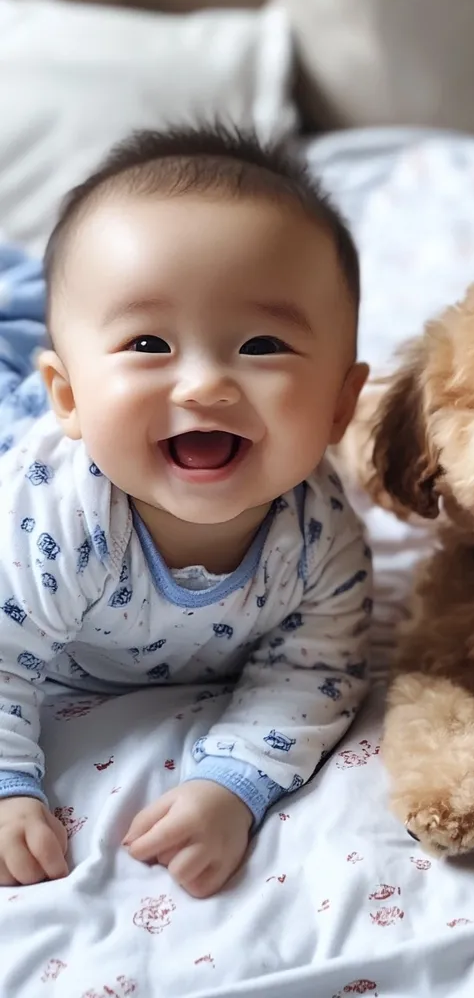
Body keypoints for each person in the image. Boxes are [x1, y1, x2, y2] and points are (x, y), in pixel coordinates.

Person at [0, 124, 372, 898]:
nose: (203, 385)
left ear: (341, 406)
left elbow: (314, 672)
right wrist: (7, 788)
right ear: (68, 396)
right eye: (148, 344)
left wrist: (232, 785)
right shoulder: (54, 518)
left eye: (262, 345)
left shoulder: (320, 541)